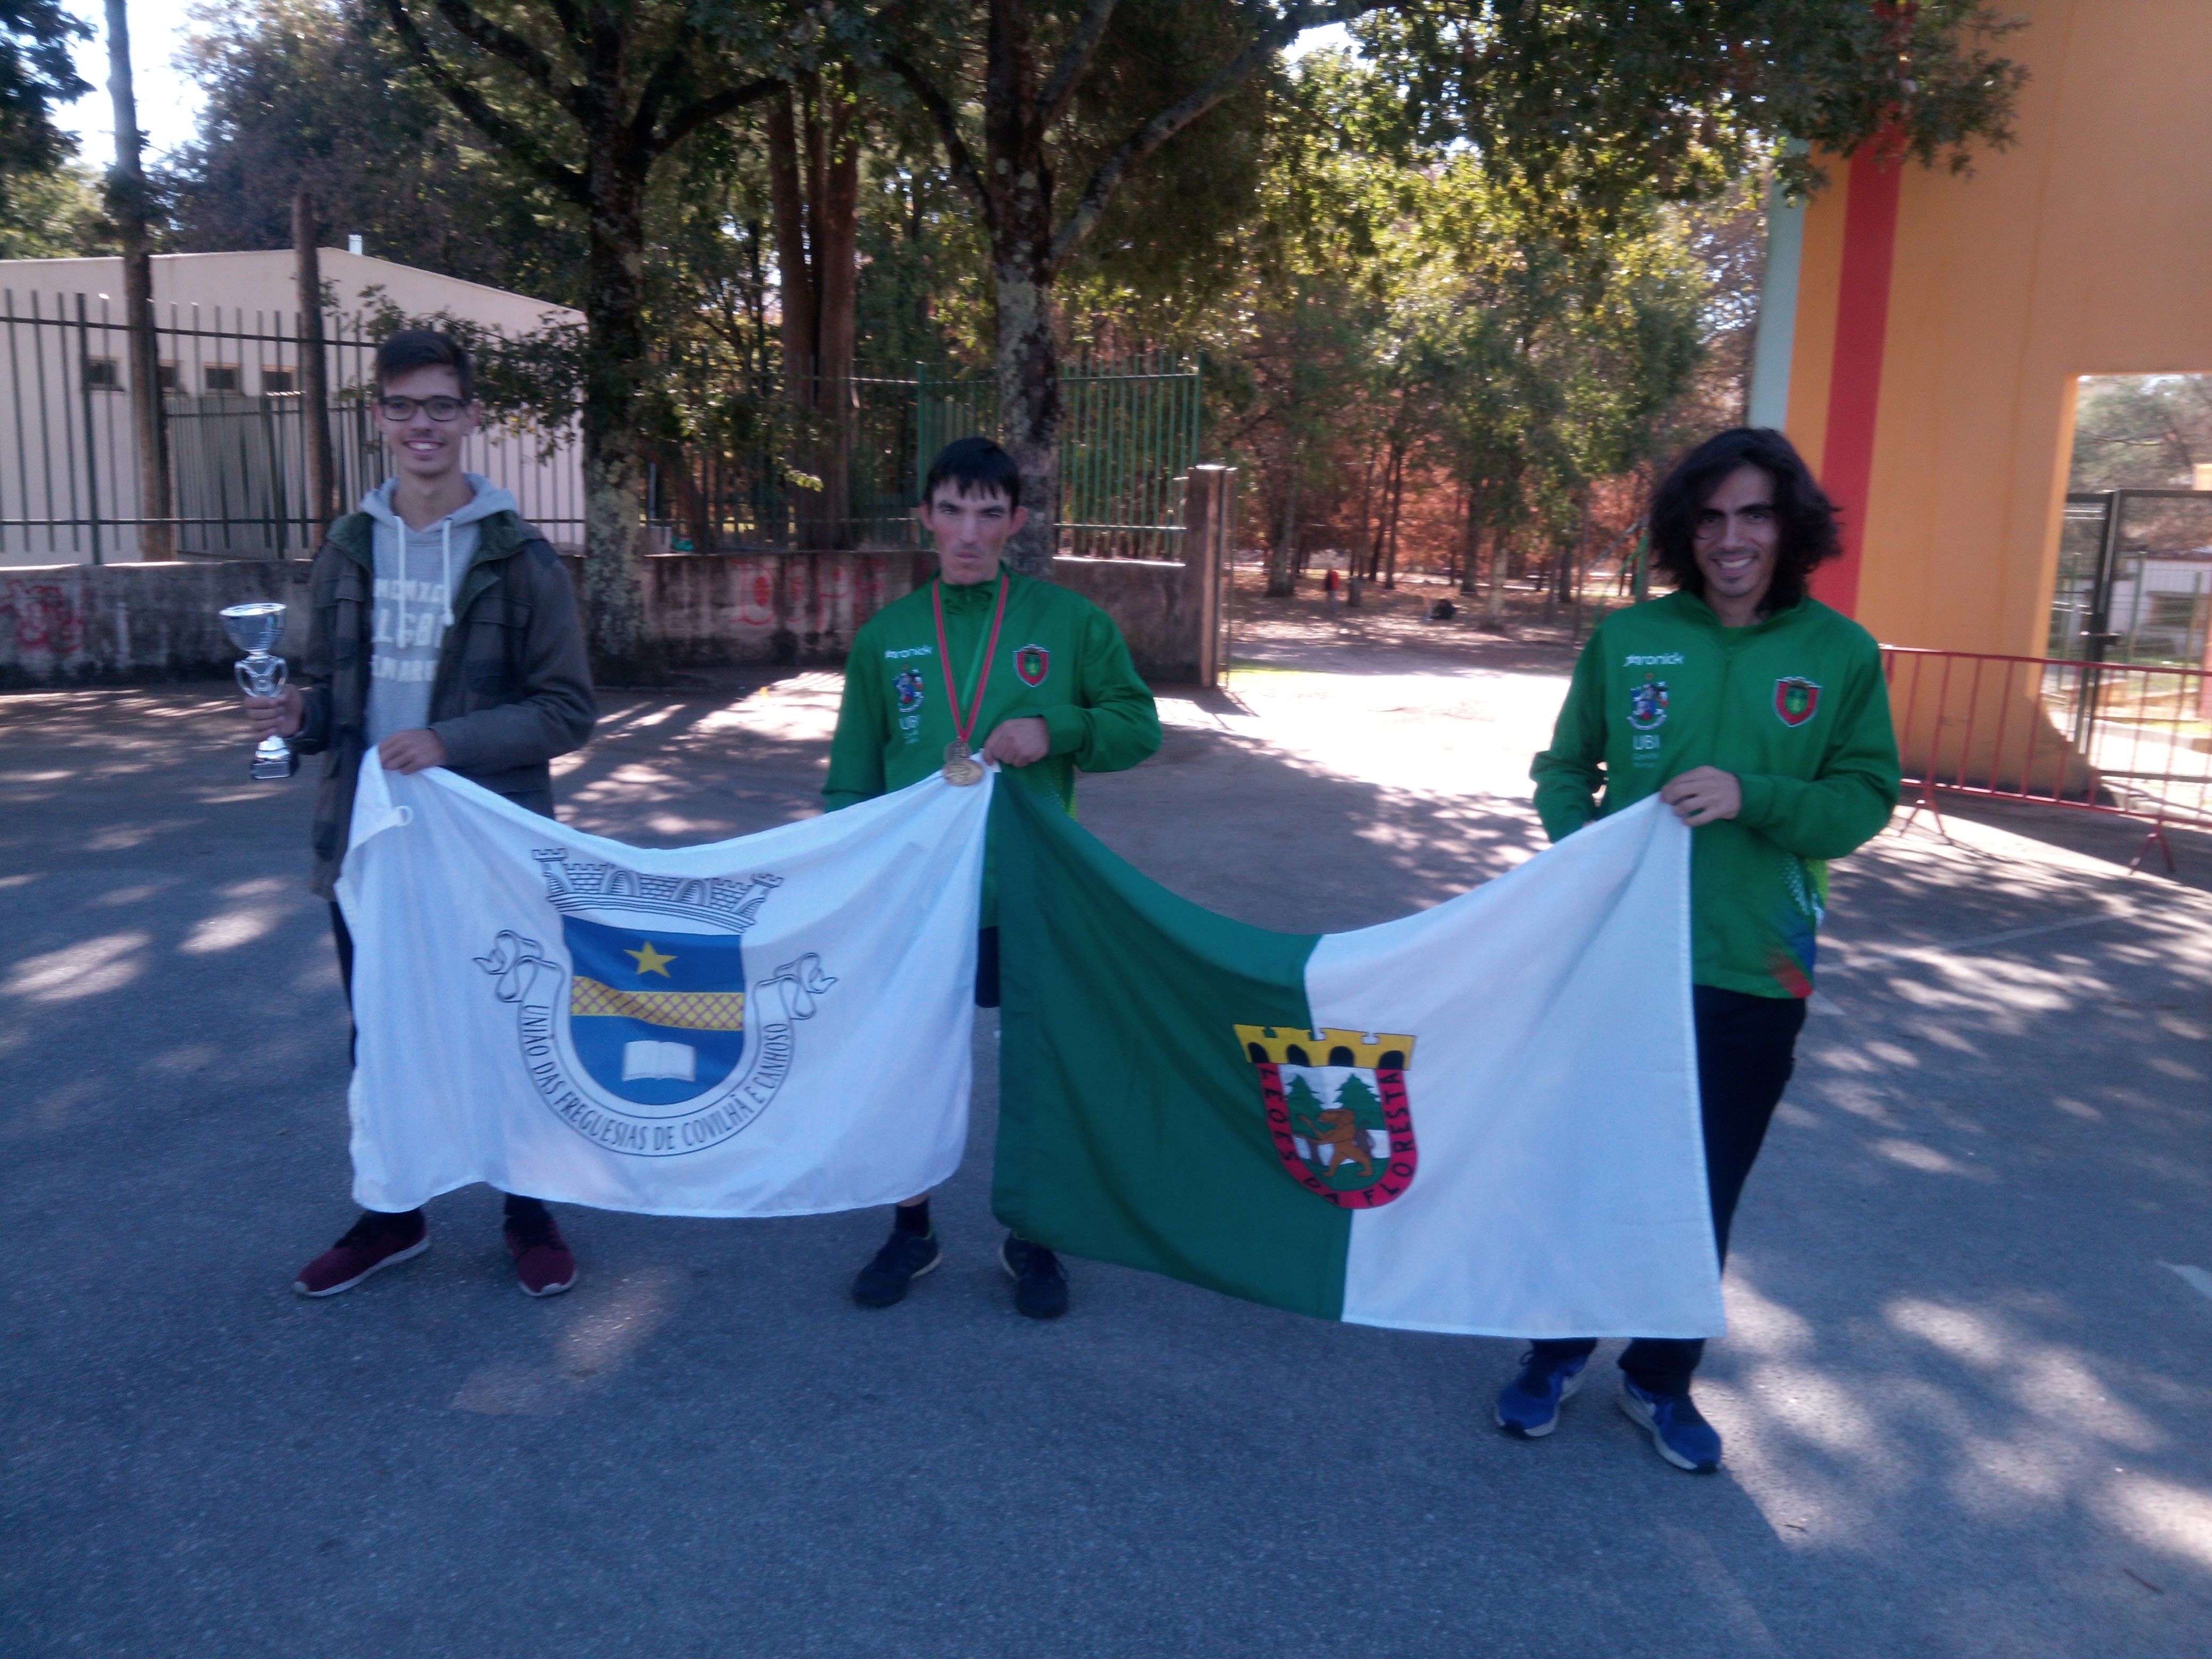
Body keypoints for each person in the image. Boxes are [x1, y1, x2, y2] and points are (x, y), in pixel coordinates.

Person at [1504, 427, 1900, 1472]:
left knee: (1701, 1187)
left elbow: (1863, 801)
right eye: (1712, 516)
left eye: (1754, 515)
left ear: (1789, 526)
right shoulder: (1628, 640)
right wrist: (1585, 851)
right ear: (1688, 529)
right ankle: (1552, 1354)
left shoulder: (1838, 654)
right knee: (1593, 1168)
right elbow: (1560, 769)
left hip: (1752, 972)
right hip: (1617, 961)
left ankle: (1658, 1380)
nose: (1731, 538)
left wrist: (1752, 795)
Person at [244, 329, 598, 1300]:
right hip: (371, 840)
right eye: (403, 406)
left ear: (471, 415)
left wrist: (454, 742)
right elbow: (330, 689)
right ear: (380, 419)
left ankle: (529, 1209)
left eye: (441, 404)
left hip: (484, 842)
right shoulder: (349, 546)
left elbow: (569, 711)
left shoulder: (520, 556)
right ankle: (394, 1214)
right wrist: (298, 715)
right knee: (383, 1033)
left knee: (504, 1023)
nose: (422, 424)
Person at [824, 437, 1161, 1318]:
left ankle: (1034, 1234)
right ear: (926, 518)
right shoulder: (887, 638)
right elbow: (852, 780)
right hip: (918, 899)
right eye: (951, 511)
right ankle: (911, 1229)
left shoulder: (1068, 622)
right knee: (909, 1065)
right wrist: (847, 882)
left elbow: (1138, 725)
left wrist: (1059, 727)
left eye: (988, 513)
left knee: (1037, 1069)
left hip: (1033, 895)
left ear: (1016, 521)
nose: (968, 532)